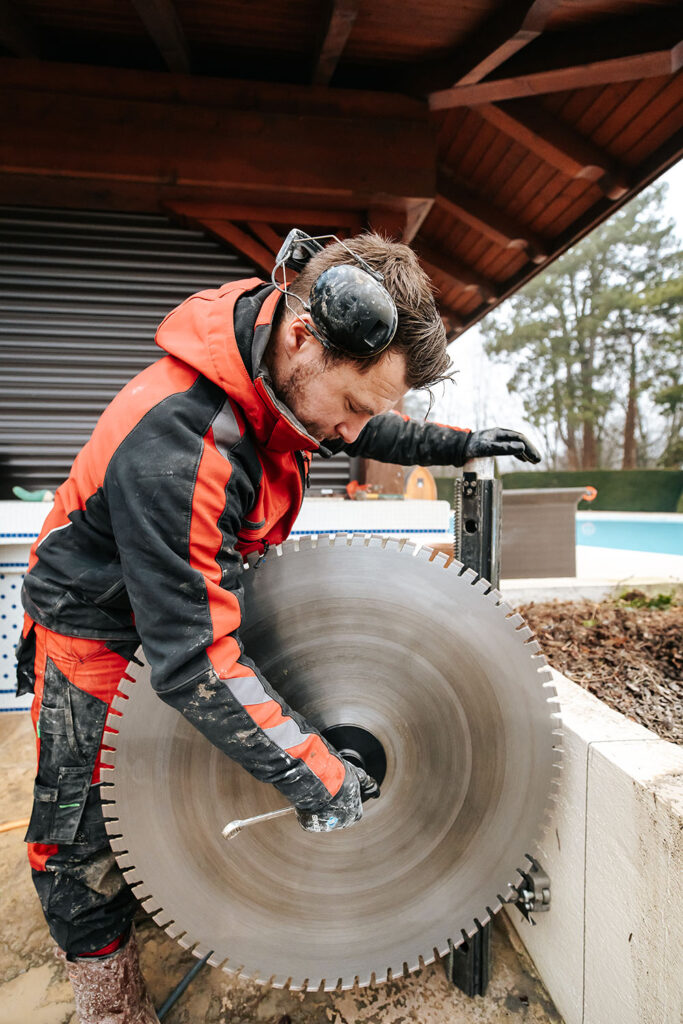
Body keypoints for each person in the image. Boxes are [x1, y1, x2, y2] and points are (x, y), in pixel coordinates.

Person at [16, 231, 540, 1022]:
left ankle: (165, 882)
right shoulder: (181, 443)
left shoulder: (278, 365)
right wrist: (320, 778)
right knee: (78, 837)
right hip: (93, 631)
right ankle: (106, 998)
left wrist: (458, 443)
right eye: (356, 405)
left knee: (199, 760)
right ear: (303, 335)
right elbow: (192, 662)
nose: (349, 434)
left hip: (183, 605)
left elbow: (361, 421)